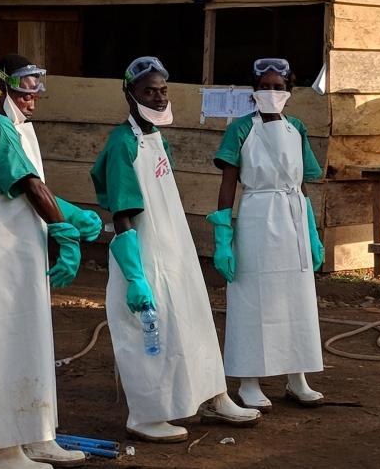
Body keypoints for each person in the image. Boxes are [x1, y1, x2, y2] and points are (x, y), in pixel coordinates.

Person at [90, 56, 261, 443]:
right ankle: (146, 416)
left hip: (175, 249)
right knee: (152, 335)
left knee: (195, 320)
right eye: (149, 91)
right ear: (130, 95)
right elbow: (122, 213)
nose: (159, 97)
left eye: (163, 90)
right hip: (145, 254)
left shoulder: (155, 137)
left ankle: (212, 396)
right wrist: (135, 275)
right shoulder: (122, 144)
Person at [0, 54, 102, 469]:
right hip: (1, 255)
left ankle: (37, 437)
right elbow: (28, 186)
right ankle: (2, 450)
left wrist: (71, 215)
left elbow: (36, 188)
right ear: (3, 87)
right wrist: (64, 232)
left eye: (36, 91)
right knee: (5, 346)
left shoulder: (20, 129)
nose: (32, 101)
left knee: (33, 343)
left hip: (23, 254)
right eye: (25, 91)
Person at [207, 58, 325, 412]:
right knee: (252, 297)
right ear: (254, 90)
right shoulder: (241, 129)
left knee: (297, 297)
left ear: (289, 90)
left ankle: (297, 376)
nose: (271, 93)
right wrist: (223, 233)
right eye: (265, 87)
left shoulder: (297, 129)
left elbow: (302, 181)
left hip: (293, 214)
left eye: (278, 87)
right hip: (257, 214)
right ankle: (249, 379)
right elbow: (228, 183)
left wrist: (312, 230)